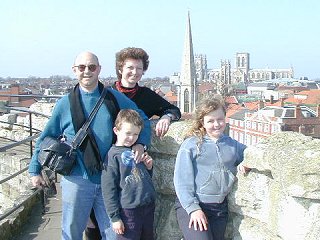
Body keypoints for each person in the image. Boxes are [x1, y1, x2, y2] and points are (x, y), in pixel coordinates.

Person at [28, 51, 151, 240]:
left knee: (114, 233)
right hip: (77, 178)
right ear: (74, 70)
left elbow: (141, 117)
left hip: (108, 178)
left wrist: (141, 143)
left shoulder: (113, 98)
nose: (87, 71)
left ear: (99, 70)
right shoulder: (64, 104)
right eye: (82, 67)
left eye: (92, 67)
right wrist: (34, 170)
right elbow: (47, 137)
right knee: (72, 232)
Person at [85, 47, 181, 239]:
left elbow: (172, 109)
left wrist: (166, 117)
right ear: (120, 69)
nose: (134, 72)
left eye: (139, 68)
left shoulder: (146, 95)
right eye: (130, 67)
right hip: (105, 162)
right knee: (96, 218)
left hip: (131, 171)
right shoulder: (106, 93)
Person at [173, 96, 249, 240]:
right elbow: (182, 181)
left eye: (220, 119)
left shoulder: (232, 145)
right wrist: (193, 209)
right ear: (202, 122)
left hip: (219, 208)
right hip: (192, 205)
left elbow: (250, 154)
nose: (217, 124)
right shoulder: (191, 145)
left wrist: (244, 163)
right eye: (210, 121)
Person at [101, 109, 156, 240]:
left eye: (136, 134)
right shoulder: (112, 156)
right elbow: (108, 189)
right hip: (128, 211)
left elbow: (140, 176)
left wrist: (148, 168)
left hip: (147, 206)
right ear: (116, 131)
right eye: (128, 133)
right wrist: (115, 218)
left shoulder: (136, 150)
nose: (132, 138)